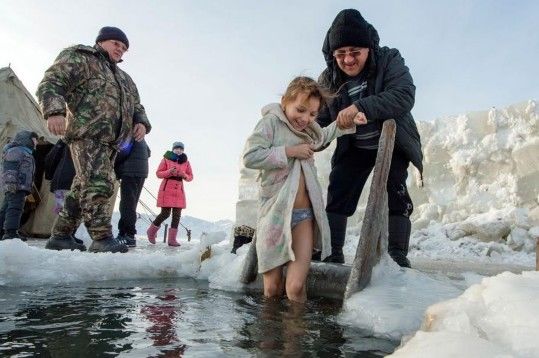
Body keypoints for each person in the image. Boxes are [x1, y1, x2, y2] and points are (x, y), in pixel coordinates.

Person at [316, 9, 423, 267]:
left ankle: (397, 256)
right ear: (332, 55)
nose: (349, 59)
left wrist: (360, 107)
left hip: (392, 140)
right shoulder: (328, 79)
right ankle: (333, 253)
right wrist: (310, 138)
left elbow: (404, 95)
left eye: (355, 52)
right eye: (341, 54)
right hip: (355, 145)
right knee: (339, 188)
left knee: (396, 189)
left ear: (368, 48)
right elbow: (320, 120)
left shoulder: (389, 59)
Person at [36, 26, 152, 253]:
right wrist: (54, 111)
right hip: (87, 133)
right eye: (116, 44)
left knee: (81, 188)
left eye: (124, 48)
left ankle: (61, 236)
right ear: (101, 42)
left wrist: (141, 122)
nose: (121, 50)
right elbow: (52, 82)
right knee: (100, 183)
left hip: (112, 142)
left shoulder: (124, 78)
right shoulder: (81, 58)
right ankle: (102, 238)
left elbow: (137, 105)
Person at [242, 76, 356, 303]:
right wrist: (289, 152)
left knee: (294, 288)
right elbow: (250, 156)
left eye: (312, 114)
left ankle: (295, 337)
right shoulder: (270, 124)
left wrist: (344, 123)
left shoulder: (311, 130)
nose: (305, 119)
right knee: (273, 288)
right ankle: (270, 336)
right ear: (285, 101)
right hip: (274, 216)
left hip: (304, 217)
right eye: (301, 110)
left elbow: (325, 135)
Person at [146, 141, 193, 247]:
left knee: (177, 215)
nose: (179, 150)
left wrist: (184, 175)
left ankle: (172, 240)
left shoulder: (186, 162)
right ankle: (151, 231)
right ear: (173, 149)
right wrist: (169, 172)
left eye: (181, 149)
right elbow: (158, 173)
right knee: (165, 213)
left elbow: (190, 177)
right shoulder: (166, 159)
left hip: (179, 191)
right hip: (167, 189)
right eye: (177, 148)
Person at [0, 130, 38, 241]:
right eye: (34, 140)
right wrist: (11, 184)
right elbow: (10, 169)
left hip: (20, 186)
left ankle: (2, 231)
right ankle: (11, 233)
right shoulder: (16, 151)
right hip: (15, 186)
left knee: (7, 207)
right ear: (27, 139)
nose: (36, 142)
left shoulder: (25, 152)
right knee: (15, 208)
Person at [114, 138, 151, 247]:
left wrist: (114, 166)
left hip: (130, 172)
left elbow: (122, 152)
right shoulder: (142, 138)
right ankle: (123, 233)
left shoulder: (129, 134)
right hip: (141, 172)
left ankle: (129, 236)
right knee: (130, 204)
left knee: (126, 205)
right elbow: (148, 152)